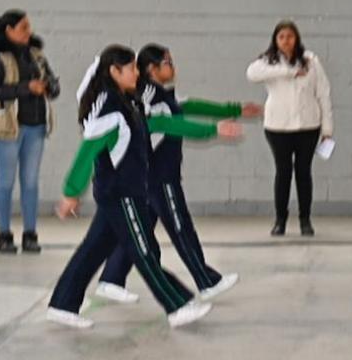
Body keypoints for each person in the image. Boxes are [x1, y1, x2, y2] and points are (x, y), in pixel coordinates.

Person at [46, 45, 237, 329]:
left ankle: (62, 304)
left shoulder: (130, 103)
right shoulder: (110, 111)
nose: (138, 73)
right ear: (114, 71)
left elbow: (164, 123)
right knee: (144, 250)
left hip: (125, 193)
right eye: (132, 68)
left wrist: (211, 129)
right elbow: (87, 152)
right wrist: (71, 193)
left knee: (93, 250)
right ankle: (177, 305)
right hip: (121, 195)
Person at [94, 44, 262, 303]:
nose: (173, 67)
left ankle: (111, 279)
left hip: (152, 176)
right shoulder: (148, 95)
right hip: (158, 175)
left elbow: (191, 105)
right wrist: (212, 130)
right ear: (152, 68)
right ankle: (206, 281)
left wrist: (235, 109)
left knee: (141, 231)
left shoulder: (161, 94)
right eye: (168, 62)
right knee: (180, 226)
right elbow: (165, 123)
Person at [247, 20, 333, 237]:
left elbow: (323, 94)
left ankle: (305, 219)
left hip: (308, 126)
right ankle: (280, 220)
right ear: (275, 40)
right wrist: (288, 72)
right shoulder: (268, 62)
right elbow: (252, 73)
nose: (286, 41)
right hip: (278, 127)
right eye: (282, 37)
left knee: (303, 172)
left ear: (297, 39)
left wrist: (327, 128)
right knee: (283, 172)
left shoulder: (311, 61)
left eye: (290, 36)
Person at [0, 9, 60, 254]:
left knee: (31, 182)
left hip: (36, 125)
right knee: (5, 182)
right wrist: (26, 88)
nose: (28, 31)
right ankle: (4, 234)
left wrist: (50, 86)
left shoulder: (36, 55)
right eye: (23, 27)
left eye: (28, 26)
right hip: (8, 128)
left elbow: (52, 82)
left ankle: (30, 233)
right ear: (8, 30)